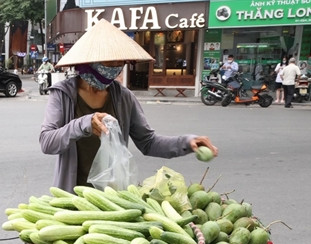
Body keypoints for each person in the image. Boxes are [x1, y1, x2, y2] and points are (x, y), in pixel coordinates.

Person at [39, 18, 218, 194]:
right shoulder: (62, 95)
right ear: (90, 61)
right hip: (72, 197)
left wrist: (187, 142)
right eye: (111, 62)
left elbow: (148, 142)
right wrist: (84, 124)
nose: (116, 68)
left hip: (113, 198)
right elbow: (47, 142)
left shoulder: (124, 97)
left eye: (121, 62)